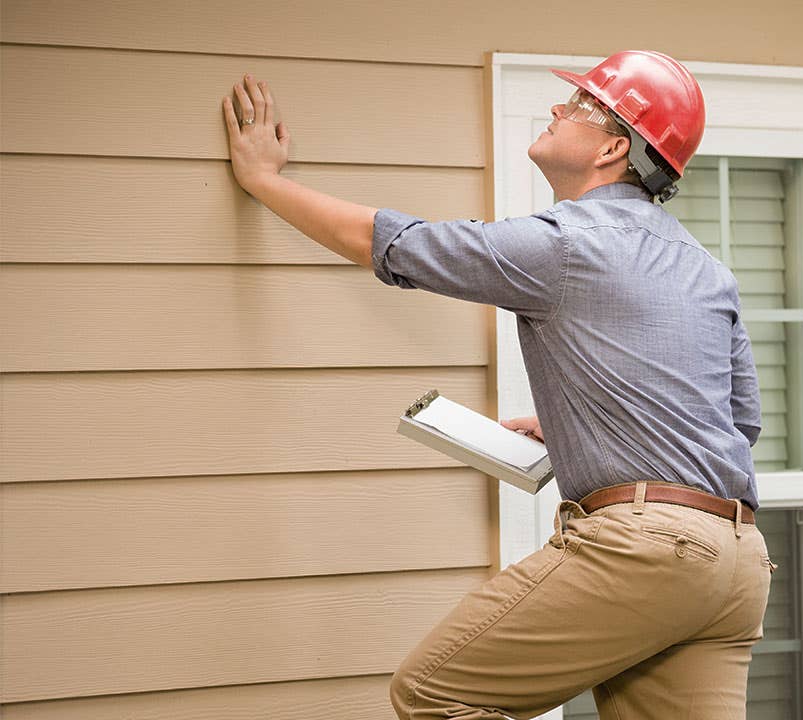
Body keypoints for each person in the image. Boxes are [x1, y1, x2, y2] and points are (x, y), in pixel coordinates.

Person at [222, 50, 772, 720]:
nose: (556, 109)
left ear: (613, 148)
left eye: (579, 106)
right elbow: (736, 422)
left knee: (432, 692)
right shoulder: (706, 269)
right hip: (737, 561)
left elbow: (395, 244)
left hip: (646, 552)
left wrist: (264, 180)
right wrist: (583, 422)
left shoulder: (567, 243)